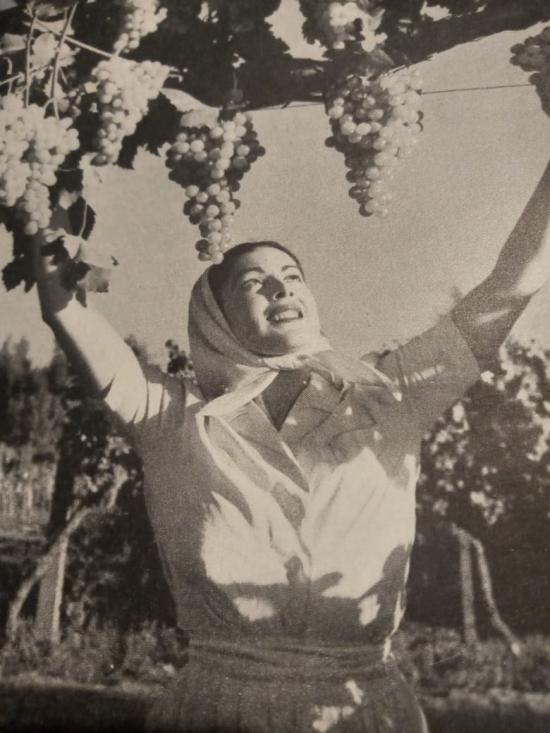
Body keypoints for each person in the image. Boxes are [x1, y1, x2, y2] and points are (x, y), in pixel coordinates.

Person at [33, 161, 550, 732]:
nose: (280, 287)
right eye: (253, 284)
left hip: (362, 711)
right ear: (215, 318)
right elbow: (63, 307)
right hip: (221, 711)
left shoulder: (390, 393)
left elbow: (511, 286)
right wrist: (48, 177)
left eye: (292, 276)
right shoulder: (171, 416)